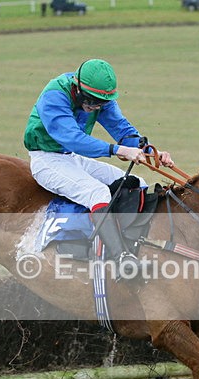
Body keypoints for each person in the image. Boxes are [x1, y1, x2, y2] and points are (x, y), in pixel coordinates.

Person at [23, 58, 173, 276]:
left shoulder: (101, 98)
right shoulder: (55, 96)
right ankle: (121, 259)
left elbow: (122, 129)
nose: (96, 107)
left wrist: (149, 151)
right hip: (46, 159)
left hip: (71, 158)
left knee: (137, 183)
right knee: (98, 192)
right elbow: (73, 139)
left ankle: (131, 243)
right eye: (92, 101)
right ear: (77, 88)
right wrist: (118, 150)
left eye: (101, 103)